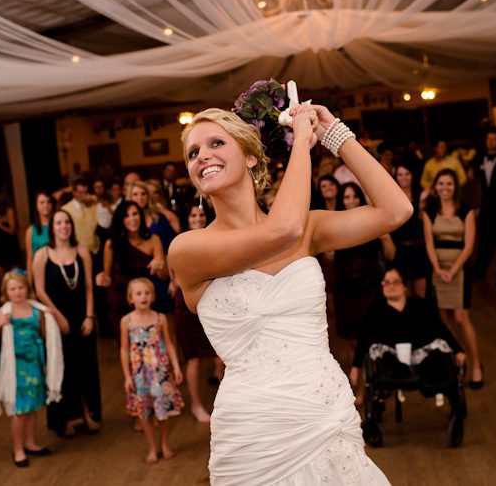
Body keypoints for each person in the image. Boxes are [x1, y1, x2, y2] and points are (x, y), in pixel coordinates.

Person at [169, 101, 410, 484]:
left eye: (216, 143)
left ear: (250, 157)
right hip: (255, 434)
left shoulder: (307, 228)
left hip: (323, 412)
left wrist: (335, 134)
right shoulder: (187, 249)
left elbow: (396, 210)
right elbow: (282, 233)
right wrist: (301, 143)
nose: (203, 157)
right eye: (193, 153)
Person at [348, 267, 466, 409]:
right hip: (390, 355)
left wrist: (458, 350)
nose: (391, 285)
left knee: (438, 355)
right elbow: (364, 338)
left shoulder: (420, 305)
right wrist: (356, 367)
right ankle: (403, 374)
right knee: (381, 354)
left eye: (396, 282)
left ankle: (444, 392)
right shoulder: (376, 309)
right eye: (386, 282)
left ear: (404, 286)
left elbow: (440, 329)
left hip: (422, 352)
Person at [32, 209, 102, 438]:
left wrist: (90, 316)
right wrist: (58, 316)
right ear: (52, 227)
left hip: (82, 317)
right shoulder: (42, 254)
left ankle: (87, 413)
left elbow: (90, 287)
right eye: (58, 222)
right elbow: (39, 291)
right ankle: (65, 418)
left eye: (67, 222)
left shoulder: (82, 251)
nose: (63, 226)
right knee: (63, 369)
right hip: (56, 320)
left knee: (86, 368)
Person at [0, 271, 62, 468]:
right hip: (16, 369)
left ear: (27, 289)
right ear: (6, 292)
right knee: (19, 410)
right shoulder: (4, 313)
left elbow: (45, 335)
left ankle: (30, 442)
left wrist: (51, 321)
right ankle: (18, 448)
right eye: (12, 289)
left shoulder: (37, 311)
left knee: (33, 407)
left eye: (20, 288)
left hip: (35, 364)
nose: (17, 292)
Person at [422, 169, 484, 389]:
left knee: (461, 318)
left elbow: (469, 245)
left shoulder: (465, 211)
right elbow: (429, 242)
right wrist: (438, 269)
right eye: (441, 184)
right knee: (444, 319)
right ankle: (455, 360)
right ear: (435, 187)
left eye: (449, 184)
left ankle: (476, 363)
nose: (445, 188)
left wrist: (454, 269)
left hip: (460, 270)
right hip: (438, 269)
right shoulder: (429, 212)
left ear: (455, 187)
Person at [120, 277, 184, 463]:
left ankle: (164, 443)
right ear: (130, 298)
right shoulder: (127, 321)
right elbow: (124, 349)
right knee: (144, 411)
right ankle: (151, 447)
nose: (143, 297)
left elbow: (169, 344)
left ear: (153, 296)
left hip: (159, 372)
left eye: (147, 293)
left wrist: (176, 367)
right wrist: (127, 376)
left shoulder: (160, 318)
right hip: (140, 375)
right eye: (138, 293)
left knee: (162, 409)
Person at [172, 201, 223, 423]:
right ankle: (195, 404)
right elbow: (176, 279)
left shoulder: (217, 239)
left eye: (201, 215)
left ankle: (225, 402)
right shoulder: (179, 244)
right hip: (187, 307)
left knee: (222, 357)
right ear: (187, 219)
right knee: (193, 360)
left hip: (216, 302)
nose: (198, 219)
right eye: (193, 215)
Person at [334, 182, 395, 357]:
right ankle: (357, 374)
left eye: (355, 196)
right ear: (342, 201)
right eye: (347, 197)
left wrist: (385, 237)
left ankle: (371, 375)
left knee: (372, 333)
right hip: (345, 288)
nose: (351, 201)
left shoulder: (372, 222)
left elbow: (390, 256)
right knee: (351, 337)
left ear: (361, 198)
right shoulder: (334, 222)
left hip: (369, 286)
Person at [97, 201, 169, 330]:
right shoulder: (111, 244)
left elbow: (163, 276)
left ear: (141, 215)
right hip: (120, 303)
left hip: (145, 301)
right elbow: (108, 279)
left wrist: (159, 264)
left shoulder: (153, 239)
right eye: (126, 216)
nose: (132, 219)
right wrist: (102, 278)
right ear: (121, 219)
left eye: (135, 214)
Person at [472, 127, 496, 281]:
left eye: (494, 139)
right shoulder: (479, 157)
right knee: (484, 239)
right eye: (489, 139)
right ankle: (480, 270)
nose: (491, 142)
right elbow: (473, 173)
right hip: (486, 206)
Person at [390, 158, 429, 298]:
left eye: (407, 174)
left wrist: (423, 205)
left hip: (420, 250)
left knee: (421, 294)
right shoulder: (391, 198)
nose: (404, 177)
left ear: (413, 175)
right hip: (400, 251)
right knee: (403, 295)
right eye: (400, 174)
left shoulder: (422, 196)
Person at [129, 180, 181, 251]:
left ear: (148, 196)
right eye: (135, 194)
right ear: (130, 197)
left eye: (143, 193)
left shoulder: (159, 217)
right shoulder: (125, 220)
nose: (140, 197)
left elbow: (170, 242)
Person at [57, 179, 102, 258]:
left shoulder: (94, 205)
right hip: (76, 253)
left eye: (85, 192)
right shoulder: (65, 209)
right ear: (73, 192)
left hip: (95, 251)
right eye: (80, 192)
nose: (83, 195)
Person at [24, 191, 54, 284]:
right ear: (36, 206)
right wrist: (29, 283)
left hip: (58, 272)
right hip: (40, 275)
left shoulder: (59, 226)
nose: (46, 205)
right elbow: (29, 258)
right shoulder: (31, 231)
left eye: (49, 202)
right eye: (42, 202)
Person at [0, 193, 22, 278]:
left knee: (15, 269)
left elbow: (12, 230)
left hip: (10, 241)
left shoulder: (9, 210)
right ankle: (4, 288)